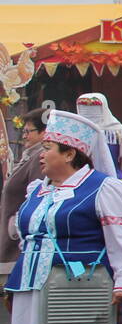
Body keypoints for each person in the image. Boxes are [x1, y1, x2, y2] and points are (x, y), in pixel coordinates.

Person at [4, 110, 122, 324]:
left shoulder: (102, 188)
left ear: (69, 154)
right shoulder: (38, 190)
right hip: (29, 283)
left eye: (48, 148)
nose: (41, 154)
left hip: (75, 286)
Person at [1, 108, 49, 279]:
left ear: (44, 132)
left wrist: (16, 223)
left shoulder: (40, 157)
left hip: (19, 236)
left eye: (29, 131)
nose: (24, 135)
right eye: (24, 131)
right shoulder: (30, 155)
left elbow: (35, 196)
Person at [75, 93, 122, 199]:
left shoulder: (117, 130)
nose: (90, 112)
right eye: (84, 107)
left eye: (94, 107)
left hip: (114, 181)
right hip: (81, 182)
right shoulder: (74, 131)